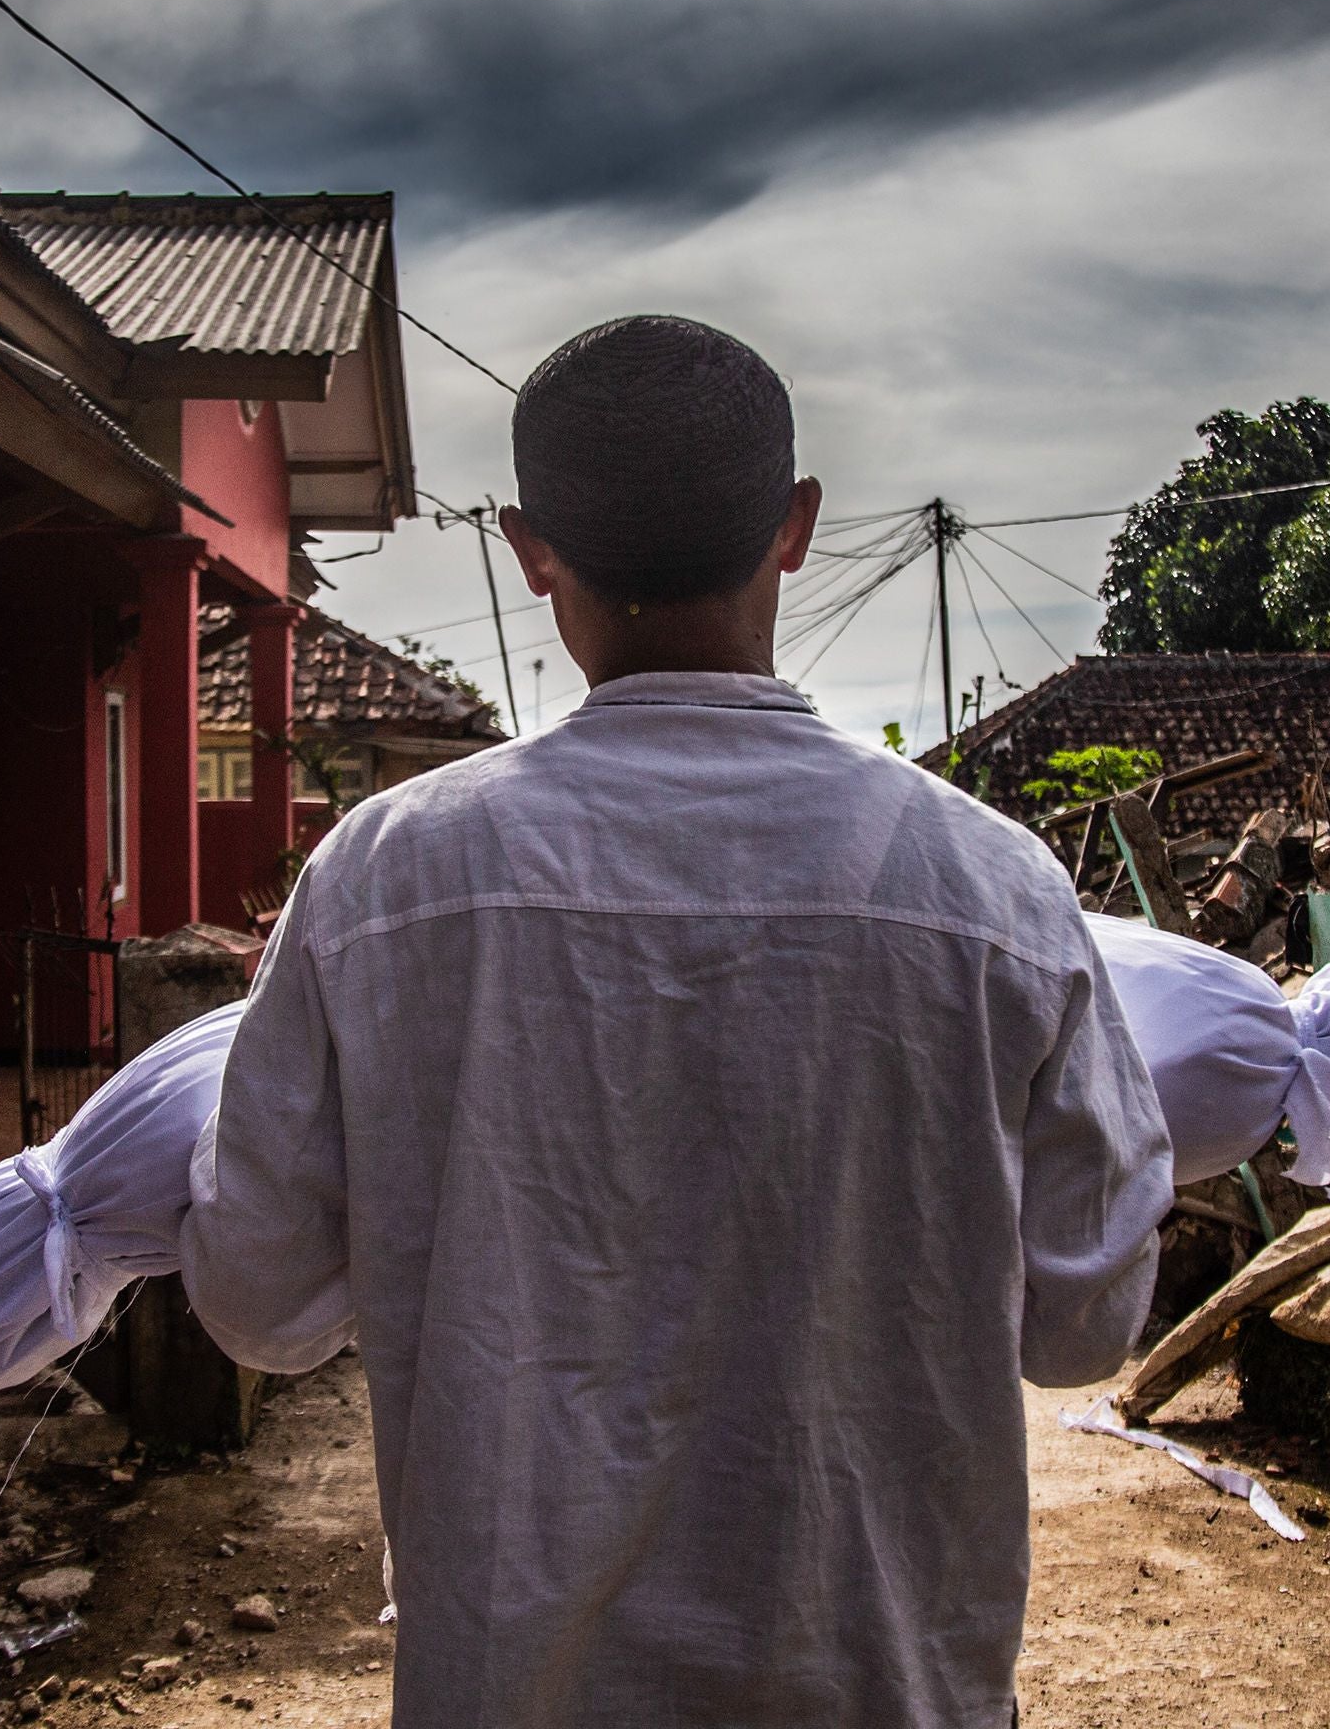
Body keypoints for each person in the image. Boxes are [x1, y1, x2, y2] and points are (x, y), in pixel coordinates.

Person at [179, 314, 1175, 1728]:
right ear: (799, 530)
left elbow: (259, 1304)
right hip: (885, 1687)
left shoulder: (386, 880)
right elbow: (1084, 1325)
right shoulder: (988, 888)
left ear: (530, 552)